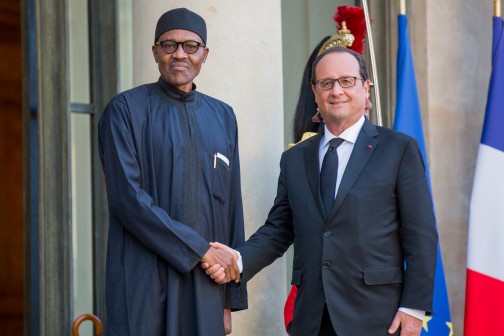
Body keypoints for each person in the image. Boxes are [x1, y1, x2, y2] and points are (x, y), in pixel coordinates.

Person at [205, 46, 438, 335]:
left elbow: (421, 235)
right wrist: (237, 261)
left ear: (365, 88)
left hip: (379, 318)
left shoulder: (399, 150)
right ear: (315, 93)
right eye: (326, 83)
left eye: (347, 81)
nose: (336, 90)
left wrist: (413, 308)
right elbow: (278, 231)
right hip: (312, 318)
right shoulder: (294, 159)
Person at [98, 8, 247, 336]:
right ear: (155, 52)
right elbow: (128, 199)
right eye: (169, 45)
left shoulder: (223, 116)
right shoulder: (125, 111)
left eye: (190, 46)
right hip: (143, 282)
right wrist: (199, 249)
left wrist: (229, 300)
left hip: (205, 284)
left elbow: (231, 207)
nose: (179, 54)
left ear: (204, 54)